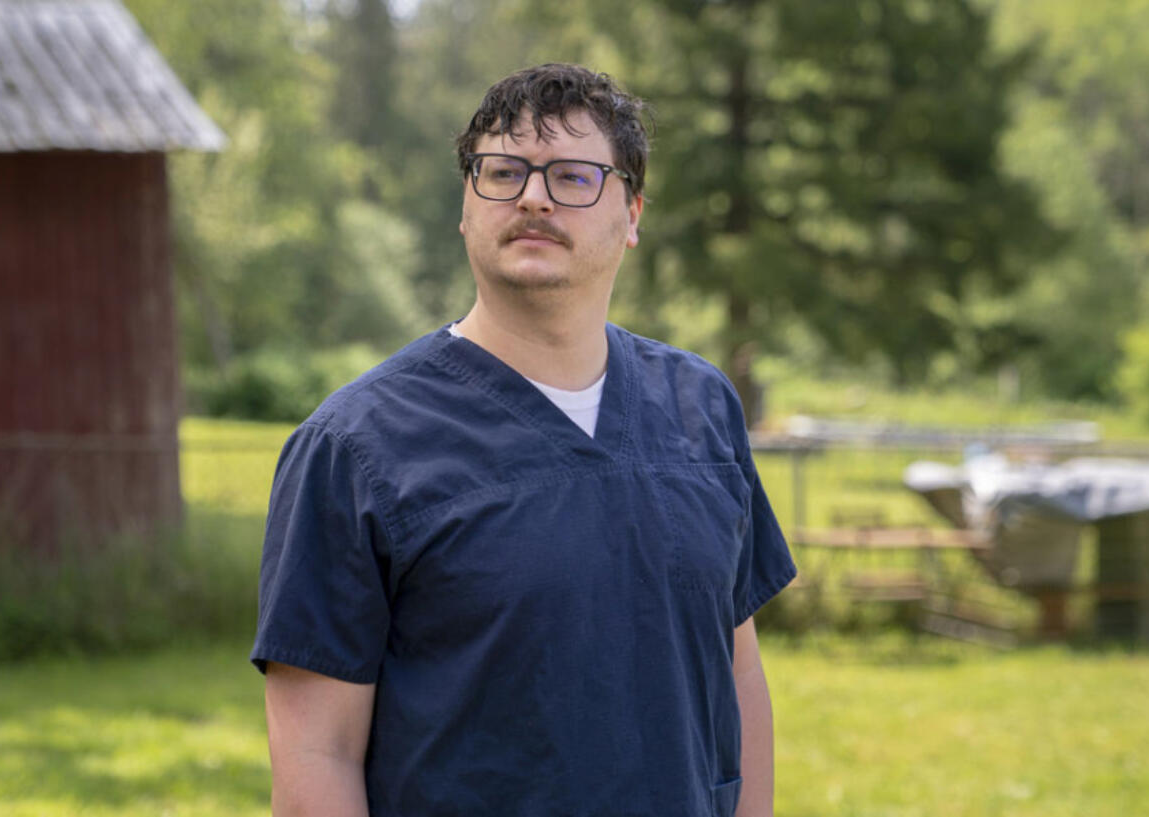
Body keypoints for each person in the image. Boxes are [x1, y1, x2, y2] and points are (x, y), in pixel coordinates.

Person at [251, 63, 796, 817]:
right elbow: (319, 756)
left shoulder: (700, 407)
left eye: (573, 176)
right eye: (503, 172)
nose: (533, 195)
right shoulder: (353, 448)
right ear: (467, 207)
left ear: (632, 213)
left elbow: (736, 673)